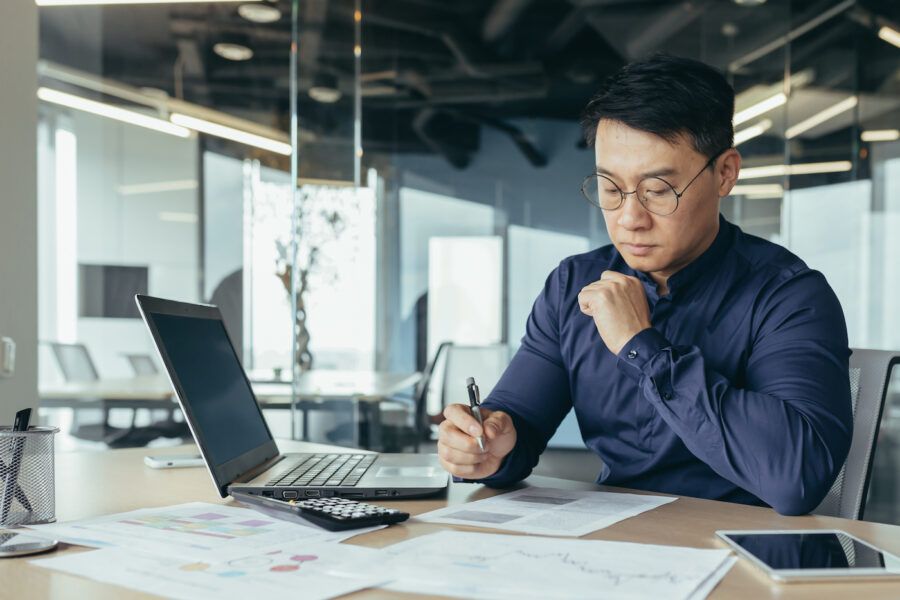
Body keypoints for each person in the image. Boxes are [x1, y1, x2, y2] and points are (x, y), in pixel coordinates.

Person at [437, 53, 852, 516]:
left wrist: (641, 345)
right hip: (615, 548)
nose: (630, 219)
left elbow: (797, 478)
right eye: (611, 190)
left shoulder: (789, 296)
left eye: (657, 190)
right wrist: (487, 446)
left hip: (744, 557)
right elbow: (518, 421)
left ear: (725, 173)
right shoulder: (573, 285)